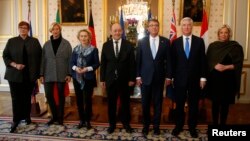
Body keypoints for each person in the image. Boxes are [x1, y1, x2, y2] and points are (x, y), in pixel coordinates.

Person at [3, 21, 42, 133]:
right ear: (18, 29)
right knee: (16, 98)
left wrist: (40, 74)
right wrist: (15, 65)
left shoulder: (34, 41)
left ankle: (27, 117)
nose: (23, 29)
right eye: (21, 27)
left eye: (25, 28)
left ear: (28, 29)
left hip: (30, 75)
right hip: (14, 75)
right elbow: (5, 56)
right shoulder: (11, 41)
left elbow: (40, 57)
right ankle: (16, 120)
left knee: (26, 97)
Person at [171, 17, 206, 138]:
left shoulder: (199, 41)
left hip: (194, 79)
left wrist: (203, 78)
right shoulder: (175, 42)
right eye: (184, 25)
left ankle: (192, 127)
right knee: (179, 104)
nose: (186, 27)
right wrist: (171, 77)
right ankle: (178, 126)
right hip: (179, 79)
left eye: (188, 25)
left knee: (193, 104)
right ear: (181, 27)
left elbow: (202, 61)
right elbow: (172, 62)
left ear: (192, 27)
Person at [136, 19, 172, 136]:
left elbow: (169, 61)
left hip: (159, 78)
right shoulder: (142, 42)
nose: (154, 27)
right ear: (148, 28)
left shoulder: (165, 42)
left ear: (159, 27)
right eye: (151, 25)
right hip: (145, 77)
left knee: (158, 103)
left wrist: (168, 77)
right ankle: (146, 126)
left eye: (156, 25)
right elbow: (138, 61)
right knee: (145, 103)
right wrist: (137, 76)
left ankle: (156, 126)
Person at [100, 23, 136, 134]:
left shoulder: (129, 45)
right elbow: (103, 64)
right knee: (111, 103)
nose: (117, 33)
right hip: (110, 79)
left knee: (125, 103)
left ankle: (126, 123)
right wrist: (102, 79)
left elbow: (132, 64)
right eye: (115, 31)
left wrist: (132, 79)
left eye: (119, 30)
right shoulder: (106, 45)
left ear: (122, 32)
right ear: (111, 32)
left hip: (125, 80)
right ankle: (112, 124)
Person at [206, 24, 244, 125]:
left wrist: (226, 67)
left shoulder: (235, 47)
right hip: (215, 80)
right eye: (221, 33)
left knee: (225, 105)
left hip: (228, 80)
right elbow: (208, 61)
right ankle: (215, 124)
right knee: (215, 104)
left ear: (229, 34)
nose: (223, 34)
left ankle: (222, 124)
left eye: (226, 32)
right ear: (218, 35)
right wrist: (214, 65)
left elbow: (239, 64)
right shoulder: (212, 46)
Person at [40, 22, 72, 126]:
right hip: (48, 73)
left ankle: (60, 117)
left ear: (60, 30)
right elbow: (42, 60)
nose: (55, 31)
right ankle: (54, 116)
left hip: (62, 73)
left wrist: (69, 74)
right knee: (49, 95)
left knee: (61, 96)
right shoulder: (46, 44)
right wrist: (41, 74)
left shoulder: (66, 43)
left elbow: (70, 60)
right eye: (53, 29)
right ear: (51, 31)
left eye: (57, 29)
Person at [70, 29, 100, 129]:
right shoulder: (75, 49)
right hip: (77, 78)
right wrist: (76, 68)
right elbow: (71, 63)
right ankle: (81, 120)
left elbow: (97, 64)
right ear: (79, 38)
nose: (83, 38)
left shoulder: (94, 49)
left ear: (89, 37)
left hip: (88, 78)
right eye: (81, 36)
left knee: (87, 100)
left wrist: (86, 69)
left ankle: (87, 121)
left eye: (85, 36)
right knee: (78, 100)